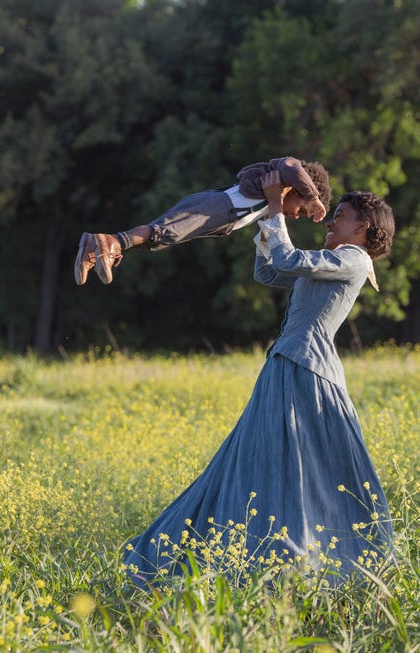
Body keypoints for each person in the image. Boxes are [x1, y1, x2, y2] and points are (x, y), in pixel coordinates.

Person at [122, 172, 395, 586]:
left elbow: (286, 260)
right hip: (288, 365)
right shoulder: (332, 262)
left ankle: (315, 557)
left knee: (299, 464)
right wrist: (273, 211)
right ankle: (255, 552)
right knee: (264, 459)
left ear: (363, 228)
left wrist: (272, 208)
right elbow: (269, 273)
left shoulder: (355, 259)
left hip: (306, 369)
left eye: (339, 216)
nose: (328, 222)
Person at [74, 157, 332, 285]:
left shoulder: (271, 197)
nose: (293, 215)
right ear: (297, 190)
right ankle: (110, 243)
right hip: (218, 208)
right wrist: (314, 197)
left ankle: (92, 247)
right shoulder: (279, 179)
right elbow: (290, 163)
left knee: (159, 239)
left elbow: (270, 236)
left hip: (220, 214)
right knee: (165, 232)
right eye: (299, 210)